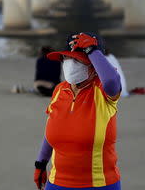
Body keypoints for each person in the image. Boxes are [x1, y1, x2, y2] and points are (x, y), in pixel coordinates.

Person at [34, 32, 122, 190]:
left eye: (76, 59)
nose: (69, 63)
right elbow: (51, 132)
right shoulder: (60, 90)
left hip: (99, 184)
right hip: (57, 183)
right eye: (66, 58)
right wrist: (40, 163)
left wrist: (92, 50)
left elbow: (111, 80)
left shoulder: (102, 91)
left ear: (93, 65)